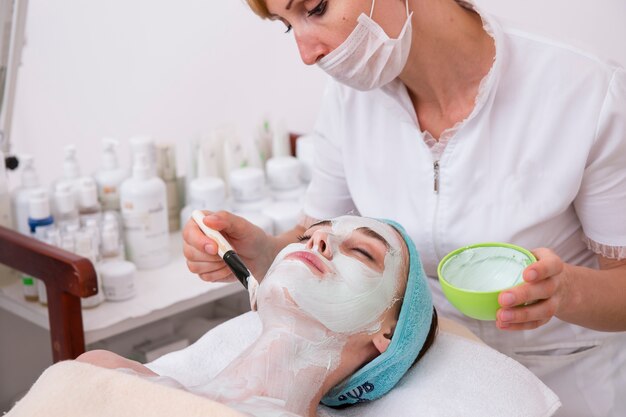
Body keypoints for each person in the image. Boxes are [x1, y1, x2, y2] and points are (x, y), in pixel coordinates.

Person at [182, 1, 626, 415]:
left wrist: (567, 292)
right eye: (287, 24)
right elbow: (317, 230)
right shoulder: (348, 100)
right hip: (424, 383)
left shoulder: (582, 90)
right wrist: (265, 251)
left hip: (566, 382)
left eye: (314, 7)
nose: (306, 52)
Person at [78, 216, 438, 417]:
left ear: (387, 337)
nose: (317, 242)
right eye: (308, 235)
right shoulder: (102, 372)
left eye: (362, 251)